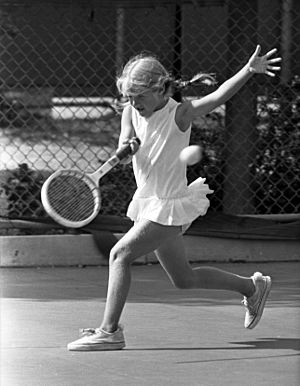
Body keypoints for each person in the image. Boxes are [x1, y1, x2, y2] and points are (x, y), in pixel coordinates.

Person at [68, 45, 281, 351]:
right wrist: (125, 150)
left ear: (159, 89)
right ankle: (252, 287)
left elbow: (218, 96)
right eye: (128, 96)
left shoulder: (180, 114)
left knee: (119, 254)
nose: (132, 102)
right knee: (184, 279)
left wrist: (249, 70)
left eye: (139, 96)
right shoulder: (130, 111)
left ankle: (109, 331)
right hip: (148, 202)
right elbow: (126, 152)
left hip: (170, 204)